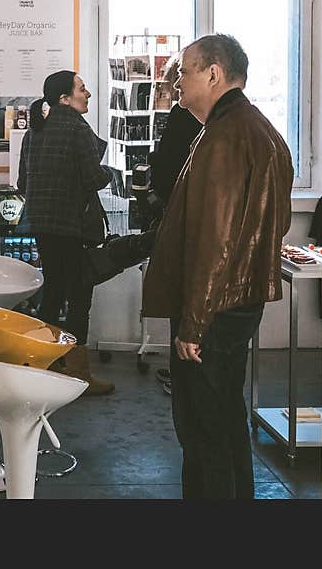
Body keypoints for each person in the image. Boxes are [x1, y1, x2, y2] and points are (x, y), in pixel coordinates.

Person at [142, 34, 293, 498]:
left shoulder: (226, 138)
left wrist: (193, 324)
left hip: (213, 311)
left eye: (184, 71)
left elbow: (216, 241)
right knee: (226, 420)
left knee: (203, 429)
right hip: (236, 305)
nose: (176, 81)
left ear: (214, 73)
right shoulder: (258, 129)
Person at [18, 70, 114, 396]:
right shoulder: (78, 130)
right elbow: (93, 179)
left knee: (53, 291)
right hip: (74, 227)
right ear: (64, 98)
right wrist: (109, 174)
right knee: (79, 296)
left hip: (42, 225)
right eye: (82, 89)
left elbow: (22, 185)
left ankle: (46, 365)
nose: (87, 94)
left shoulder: (34, 132)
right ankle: (78, 374)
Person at [148, 52, 203, 396]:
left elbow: (168, 168)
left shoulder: (188, 118)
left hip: (184, 223)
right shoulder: (200, 120)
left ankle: (185, 372)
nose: (177, 85)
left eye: (181, 77)